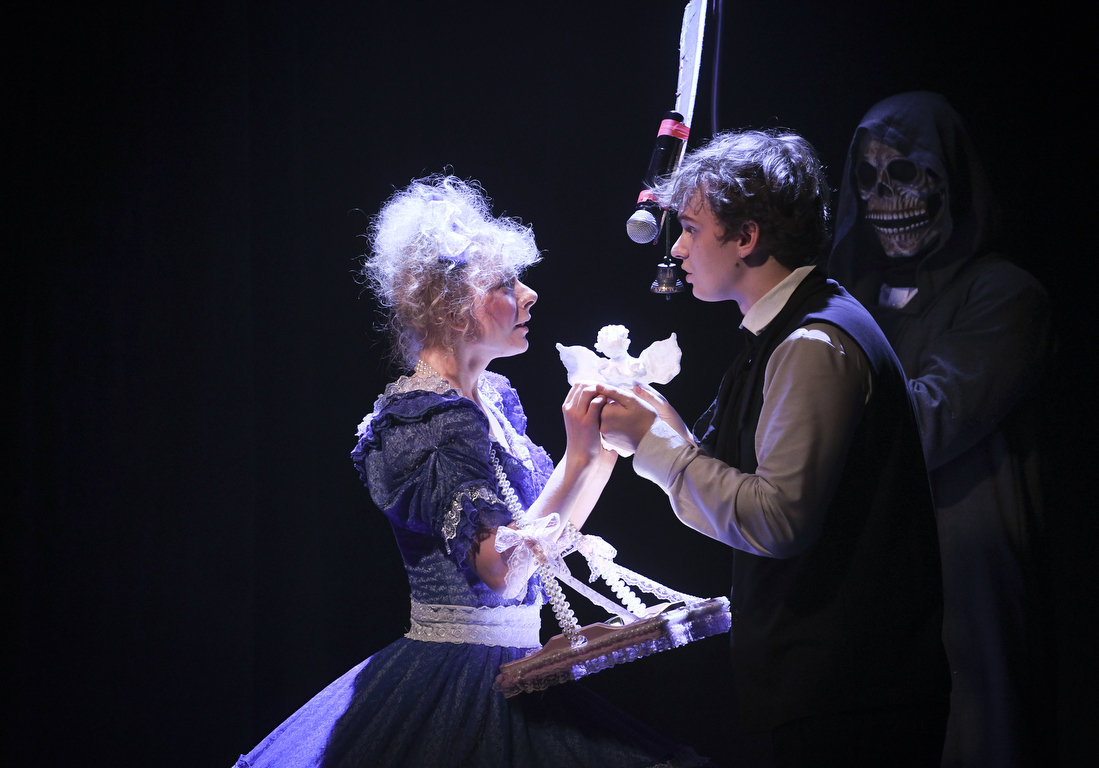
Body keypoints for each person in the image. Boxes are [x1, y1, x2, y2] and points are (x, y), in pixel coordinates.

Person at [233, 176, 704, 768]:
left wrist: (600, 453)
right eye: (505, 284)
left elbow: (543, 540)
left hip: (520, 661)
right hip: (455, 679)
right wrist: (581, 456)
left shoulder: (495, 399)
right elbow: (501, 572)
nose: (529, 294)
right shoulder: (424, 418)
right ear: (451, 307)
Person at [596, 130, 950, 767]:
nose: (676, 248)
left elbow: (774, 519)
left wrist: (652, 446)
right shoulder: (782, 332)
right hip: (823, 689)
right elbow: (732, 472)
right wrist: (658, 425)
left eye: (692, 229)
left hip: (848, 701)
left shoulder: (812, 344)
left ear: (747, 237)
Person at [826, 92, 1055, 768]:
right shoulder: (857, 300)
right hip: (872, 570)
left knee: (975, 733)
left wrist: (807, 424)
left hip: (964, 573)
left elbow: (931, 418)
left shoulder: (1005, 295)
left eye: (903, 172)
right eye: (868, 178)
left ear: (946, 178)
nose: (883, 195)